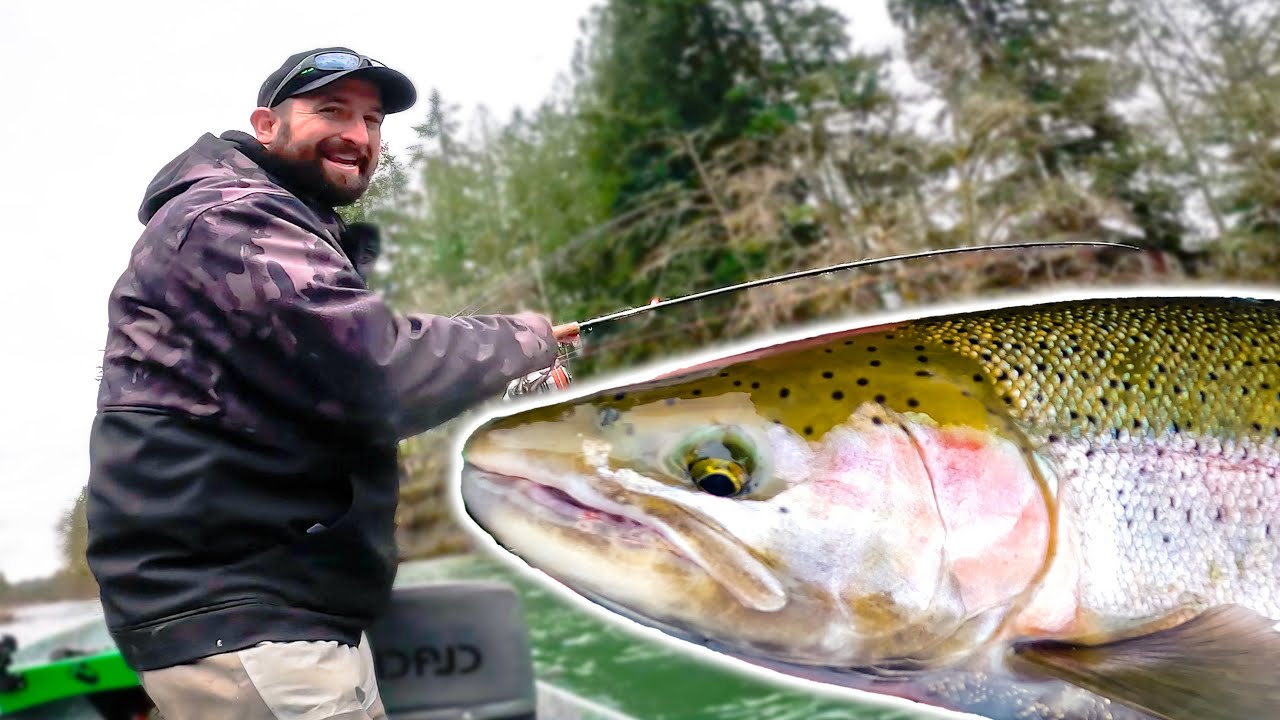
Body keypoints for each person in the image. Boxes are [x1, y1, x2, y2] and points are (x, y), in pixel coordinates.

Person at [85, 47, 577, 720]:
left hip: (275, 620)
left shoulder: (264, 221)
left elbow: (342, 365)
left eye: (373, 120)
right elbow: (374, 370)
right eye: (331, 111)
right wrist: (524, 338)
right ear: (266, 125)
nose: (359, 135)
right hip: (249, 623)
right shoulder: (232, 218)